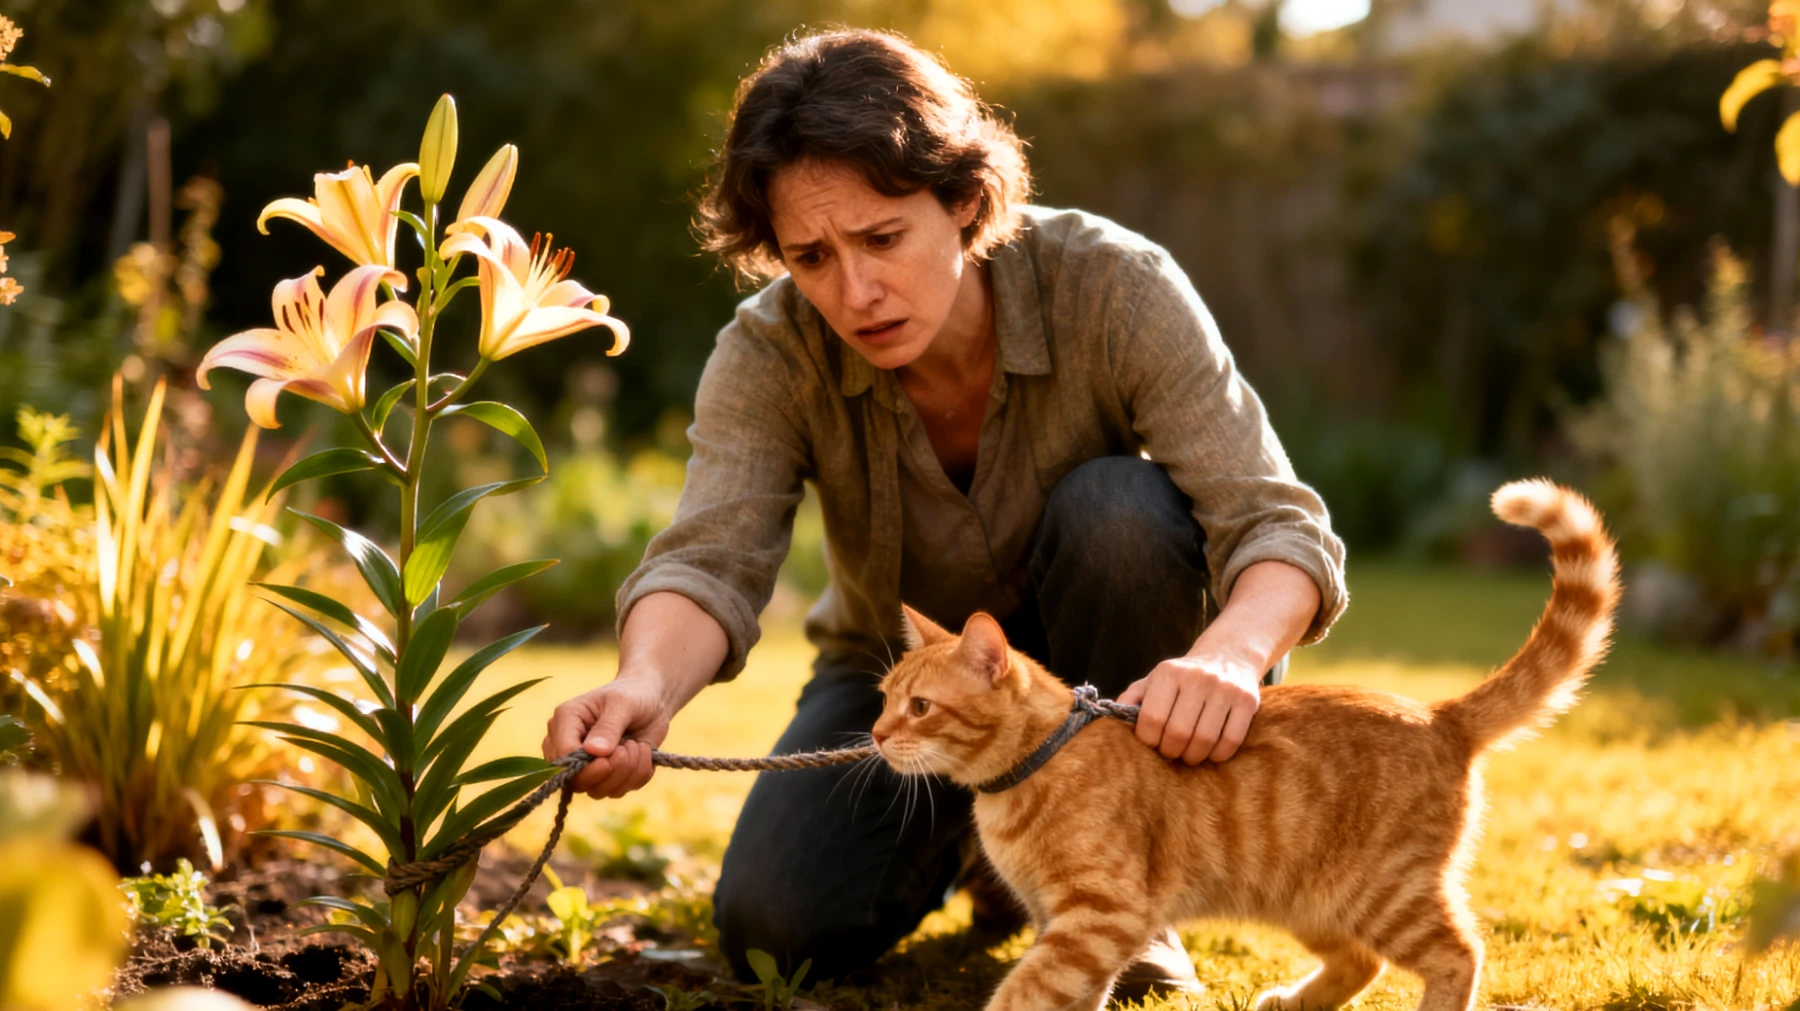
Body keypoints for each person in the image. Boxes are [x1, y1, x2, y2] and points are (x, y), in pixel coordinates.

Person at [541, 27, 1347, 997]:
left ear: (963, 200)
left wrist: (1230, 656)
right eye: (811, 257)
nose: (856, 292)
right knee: (777, 927)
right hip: (903, 688)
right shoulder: (769, 352)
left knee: (1121, 511)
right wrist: (644, 688)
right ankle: (994, 856)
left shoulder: (1115, 284)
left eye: (882, 238)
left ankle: (1124, 893)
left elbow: (1276, 524)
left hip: (1110, 678)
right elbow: (711, 558)